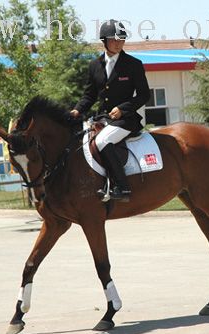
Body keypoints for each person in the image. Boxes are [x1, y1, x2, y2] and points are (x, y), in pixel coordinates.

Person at [71, 20, 150, 202]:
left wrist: (123, 109)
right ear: (104, 41)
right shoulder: (94, 65)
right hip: (101, 118)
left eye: (121, 39)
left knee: (103, 141)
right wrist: (76, 110)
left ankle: (122, 187)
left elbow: (144, 95)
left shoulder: (133, 64)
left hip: (125, 120)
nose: (118, 43)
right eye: (114, 39)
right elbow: (89, 95)